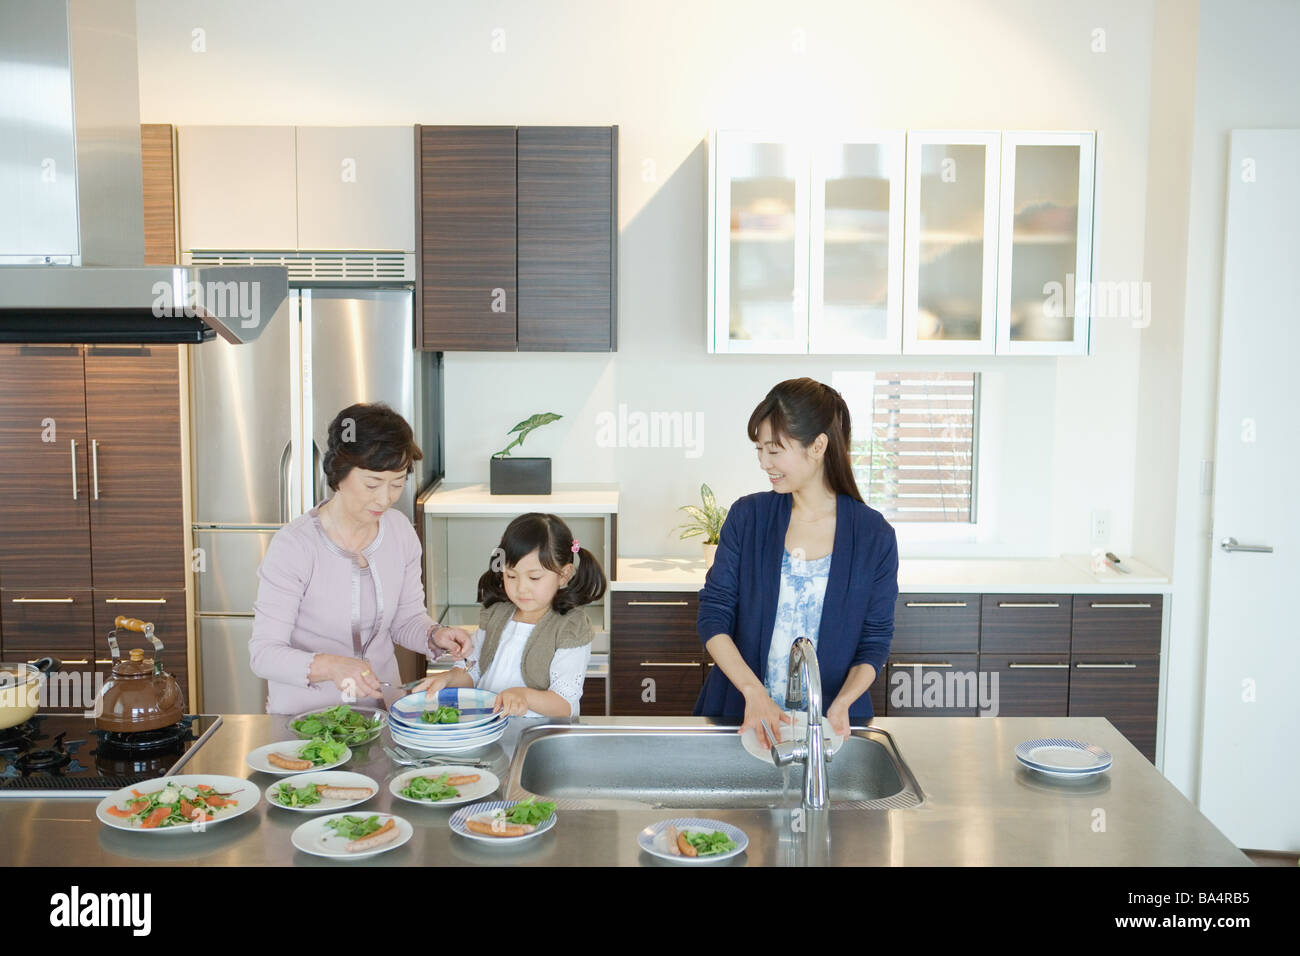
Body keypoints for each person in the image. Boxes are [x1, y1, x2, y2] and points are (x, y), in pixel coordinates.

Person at [694, 378, 899, 746]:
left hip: (830, 730)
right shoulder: (747, 517)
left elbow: (874, 641)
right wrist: (753, 694)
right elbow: (714, 615)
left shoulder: (874, 536)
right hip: (740, 716)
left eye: (775, 450)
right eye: (759, 449)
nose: (763, 462)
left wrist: (842, 705)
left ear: (818, 446)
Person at [249, 403, 470, 714]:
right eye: (372, 484)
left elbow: (406, 620)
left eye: (397, 483)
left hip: (381, 714)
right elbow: (264, 654)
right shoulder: (295, 546)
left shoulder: (400, 532)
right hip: (305, 722)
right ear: (339, 474)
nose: (385, 498)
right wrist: (333, 667)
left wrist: (435, 635)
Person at [414, 513, 607, 718]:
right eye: (511, 575)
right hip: (489, 726)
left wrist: (523, 696)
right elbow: (473, 669)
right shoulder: (497, 611)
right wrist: (448, 679)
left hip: (537, 734)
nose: (521, 588)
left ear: (564, 575)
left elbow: (564, 703)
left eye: (534, 577)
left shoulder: (570, 627)